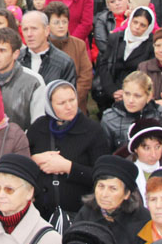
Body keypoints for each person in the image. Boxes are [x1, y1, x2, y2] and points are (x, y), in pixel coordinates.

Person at [29, 80, 110, 219]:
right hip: (40, 213)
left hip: (79, 214)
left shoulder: (93, 130)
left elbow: (102, 175)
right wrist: (34, 160)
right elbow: (21, 161)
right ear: (50, 105)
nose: (69, 107)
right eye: (61, 103)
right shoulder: (38, 128)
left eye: (72, 100)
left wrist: (69, 167)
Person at [74, 154, 151, 244]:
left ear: (127, 194)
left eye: (113, 189)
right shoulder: (86, 214)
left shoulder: (142, 221)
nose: (104, 194)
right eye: (101, 186)